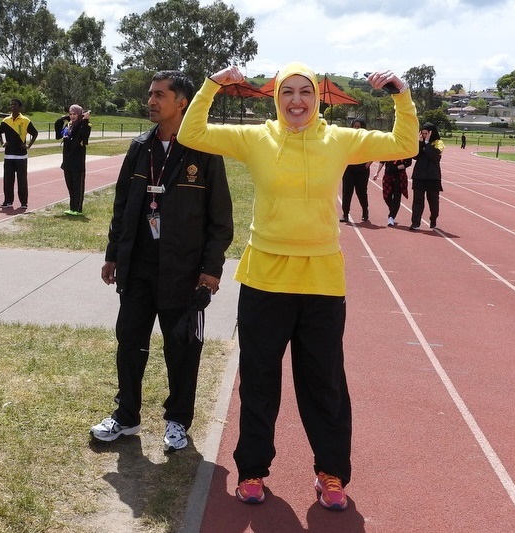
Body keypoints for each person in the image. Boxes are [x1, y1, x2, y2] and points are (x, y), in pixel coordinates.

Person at [177, 63, 418, 509]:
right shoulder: (256, 139)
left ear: (317, 98)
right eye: (287, 92)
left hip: (322, 281)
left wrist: (400, 94)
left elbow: (404, 143)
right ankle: (252, 470)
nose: (296, 101)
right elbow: (193, 133)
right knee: (260, 380)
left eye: (304, 92)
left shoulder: (340, 140)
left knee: (323, 382)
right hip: (265, 280)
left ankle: (331, 473)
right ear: (276, 98)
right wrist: (212, 85)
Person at [89, 70, 234, 453]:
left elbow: (220, 220)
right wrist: (112, 253)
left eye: (159, 95)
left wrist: (210, 270)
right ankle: (126, 416)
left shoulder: (204, 151)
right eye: (150, 95)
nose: (151, 101)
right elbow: (123, 206)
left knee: (182, 348)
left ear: (182, 101)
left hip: (184, 273)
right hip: (138, 268)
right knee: (130, 342)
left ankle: (177, 420)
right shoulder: (140, 147)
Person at [0, 98, 38, 209]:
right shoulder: (6, 121)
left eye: (15, 105)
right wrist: (2, 143)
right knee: (8, 180)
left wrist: (28, 145)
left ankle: (23, 202)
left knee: (22, 180)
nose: (12, 107)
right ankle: (8, 201)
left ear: (20, 107)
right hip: (8, 155)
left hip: (21, 156)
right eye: (11, 105)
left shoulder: (25, 120)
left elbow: (35, 133)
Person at [55, 104, 92, 215]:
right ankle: (72, 208)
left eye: (75, 114)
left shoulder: (85, 125)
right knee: (70, 186)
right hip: (67, 161)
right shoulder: (68, 126)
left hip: (78, 162)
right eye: (70, 114)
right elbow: (58, 134)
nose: (72, 116)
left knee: (77, 186)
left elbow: (84, 136)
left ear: (80, 114)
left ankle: (78, 209)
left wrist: (85, 121)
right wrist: (62, 119)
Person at [409, 122, 444, 230]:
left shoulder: (439, 143)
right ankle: (415, 223)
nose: (424, 136)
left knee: (433, 202)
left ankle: (433, 218)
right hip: (419, 176)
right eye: (422, 133)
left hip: (433, 177)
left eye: (426, 133)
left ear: (431, 133)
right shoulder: (419, 142)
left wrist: (427, 143)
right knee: (417, 201)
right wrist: (420, 144)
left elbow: (434, 156)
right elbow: (415, 156)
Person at [339, 117, 371, 222]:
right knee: (347, 192)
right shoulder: (348, 138)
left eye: (358, 126)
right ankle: (345, 214)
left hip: (362, 169)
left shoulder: (367, 139)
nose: (356, 128)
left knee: (361, 192)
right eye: (355, 126)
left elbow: (374, 151)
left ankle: (365, 211)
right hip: (349, 168)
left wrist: (367, 164)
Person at [373, 157, 412, 227]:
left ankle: (391, 217)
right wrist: (377, 172)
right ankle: (393, 211)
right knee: (386, 196)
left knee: (397, 197)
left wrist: (397, 167)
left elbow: (409, 163)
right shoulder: (389, 148)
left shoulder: (404, 149)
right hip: (388, 175)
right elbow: (382, 161)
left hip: (399, 176)